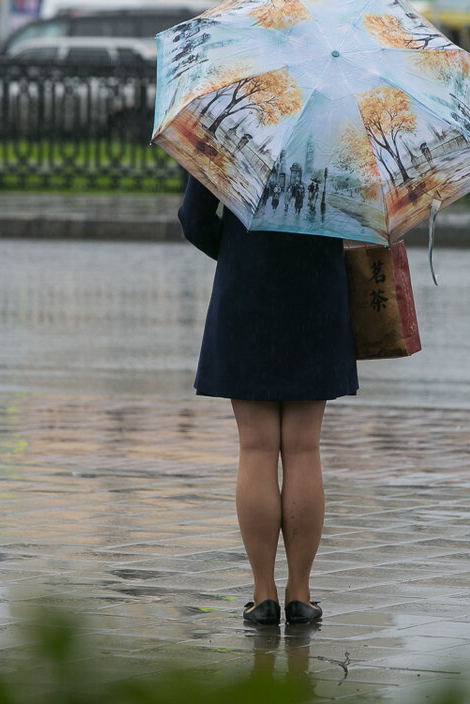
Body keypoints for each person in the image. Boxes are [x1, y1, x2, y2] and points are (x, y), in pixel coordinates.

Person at [178, 175, 358, 625]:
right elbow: (366, 220)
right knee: (303, 447)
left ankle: (262, 596)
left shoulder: (235, 114)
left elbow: (194, 218)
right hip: (317, 288)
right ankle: (300, 593)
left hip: (248, 287)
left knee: (256, 447)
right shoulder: (341, 119)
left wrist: (241, 252)